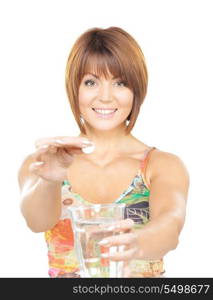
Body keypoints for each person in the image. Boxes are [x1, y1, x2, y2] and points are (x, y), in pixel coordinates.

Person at [18, 26, 190, 278]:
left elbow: (170, 227)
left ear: (136, 91)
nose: (106, 97)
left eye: (120, 83)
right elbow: (37, 223)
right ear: (74, 89)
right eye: (91, 82)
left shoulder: (162, 165)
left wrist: (136, 243)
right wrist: (49, 181)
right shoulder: (43, 162)